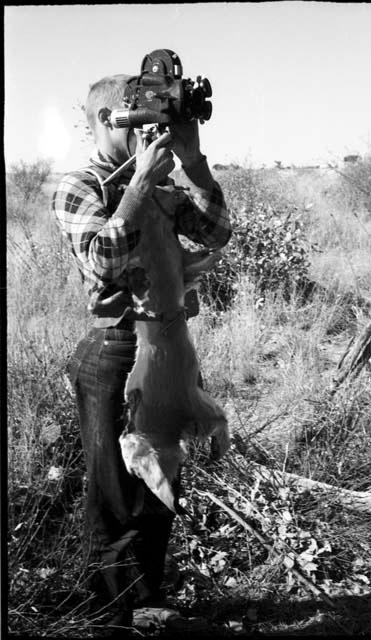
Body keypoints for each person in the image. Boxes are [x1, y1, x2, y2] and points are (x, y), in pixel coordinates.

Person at [52, 73, 231, 634]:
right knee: (114, 491)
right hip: (116, 348)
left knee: (160, 479)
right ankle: (106, 617)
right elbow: (103, 262)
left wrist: (194, 164)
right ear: (110, 121)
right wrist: (138, 188)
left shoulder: (159, 181)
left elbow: (216, 233)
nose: (153, 129)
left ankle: (147, 603)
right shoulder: (78, 186)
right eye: (142, 118)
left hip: (169, 342)